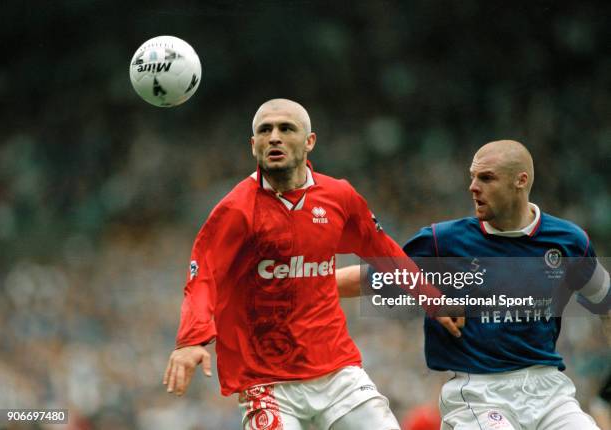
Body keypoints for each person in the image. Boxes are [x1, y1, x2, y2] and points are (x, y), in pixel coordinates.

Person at [162, 98, 461, 430]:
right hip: (268, 383)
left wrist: (431, 297)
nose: (274, 137)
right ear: (253, 145)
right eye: (265, 130)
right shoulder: (236, 209)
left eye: (286, 128)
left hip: (337, 372)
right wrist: (191, 339)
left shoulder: (339, 196)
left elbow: (383, 250)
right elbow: (203, 276)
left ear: (309, 141)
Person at [337, 140, 610, 429]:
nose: (473, 186)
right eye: (472, 176)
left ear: (521, 180)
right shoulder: (443, 242)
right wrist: (296, 287)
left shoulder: (569, 241)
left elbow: (605, 301)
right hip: (479, 393)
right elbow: (371, 279)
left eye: (486, 177)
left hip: (550, 390)